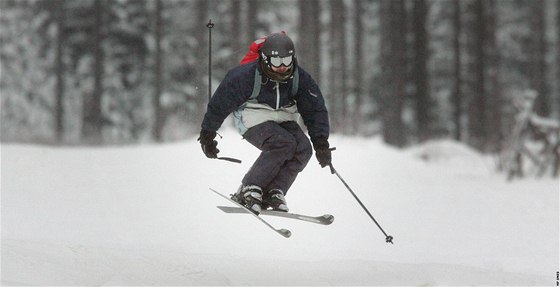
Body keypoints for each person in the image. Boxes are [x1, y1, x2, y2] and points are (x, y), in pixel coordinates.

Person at [198, 32, 332, 215]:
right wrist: (208, 133)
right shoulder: (245, 75)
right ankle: (250, 187)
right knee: (283, 143)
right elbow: (220, 103)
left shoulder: (300, 78)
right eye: (276, 62)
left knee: (303, 148)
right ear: (265, 59)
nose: (282, 67)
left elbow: (314, 110)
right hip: (252, 115)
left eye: (287, 61)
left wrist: (321, 143)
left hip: (284, 115)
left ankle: (274, 191)